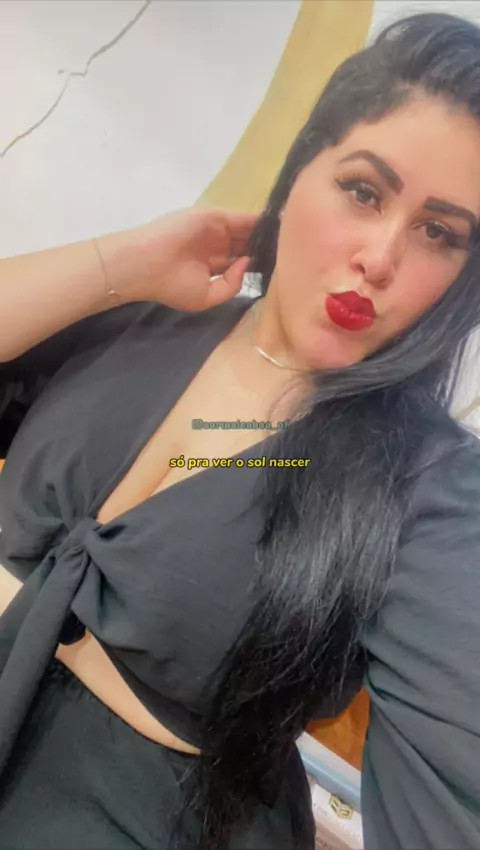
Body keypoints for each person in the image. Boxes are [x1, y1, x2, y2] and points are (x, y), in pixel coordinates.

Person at [1, 9, 480, 849]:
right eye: (363, 190)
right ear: (300, 170)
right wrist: (120, 263)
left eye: (438, 232)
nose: (380, 258)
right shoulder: (141, 322)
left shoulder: (433, 490)